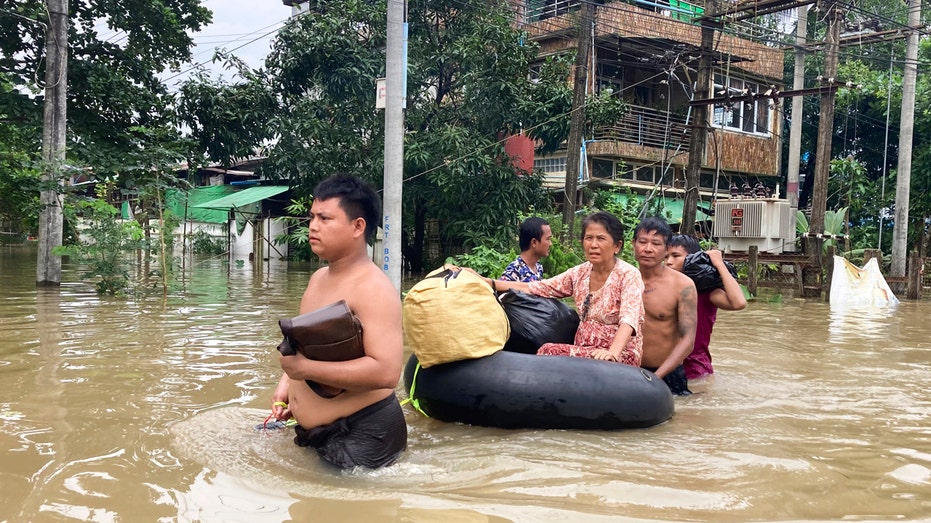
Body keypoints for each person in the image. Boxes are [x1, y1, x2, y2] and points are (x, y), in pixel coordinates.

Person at [270, 174, 407, 470]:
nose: (313, 226)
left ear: (358, 226)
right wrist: (287, 383)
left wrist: (303, 370)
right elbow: (306, 345)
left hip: (364, 435)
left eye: (325, 218)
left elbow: (386, 372)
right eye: (312, 217)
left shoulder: (374, 288)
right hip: (317, 434)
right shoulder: (319, 278)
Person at [477, 211, 644, 366]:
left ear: (617, 246)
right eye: (588, 238)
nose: (593, 245)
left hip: (618, 354)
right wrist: (487, 281)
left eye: (601, 238)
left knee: (548, 352)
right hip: (584, 350)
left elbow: (629, 319)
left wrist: (612, 353)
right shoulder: (579, 273)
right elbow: (538, 287)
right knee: (547, 350)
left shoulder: (628, 275)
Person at [665, 234, 747, 381]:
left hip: (695, 372)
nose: (669, 262)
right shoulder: (661, 288)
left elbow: (738, 303)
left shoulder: (706, 293)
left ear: (692, 259)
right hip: (666, 368)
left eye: (675, 256)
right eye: (666, 257)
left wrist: (719, 264)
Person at [633, 217, 697, 396]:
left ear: (667, 249)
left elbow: (688, 340)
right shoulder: (624, 279)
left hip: (667, 373)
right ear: (633, 245)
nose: (648, 249)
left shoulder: (683, 285)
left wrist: (656, 378)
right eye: (642, 242)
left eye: (656, 243)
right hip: (628, 371)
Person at [500, 217, 553, 282]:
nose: (550, 244)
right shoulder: (513, 272)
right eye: (548, 239)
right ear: (534, 242)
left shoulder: (538, 267)